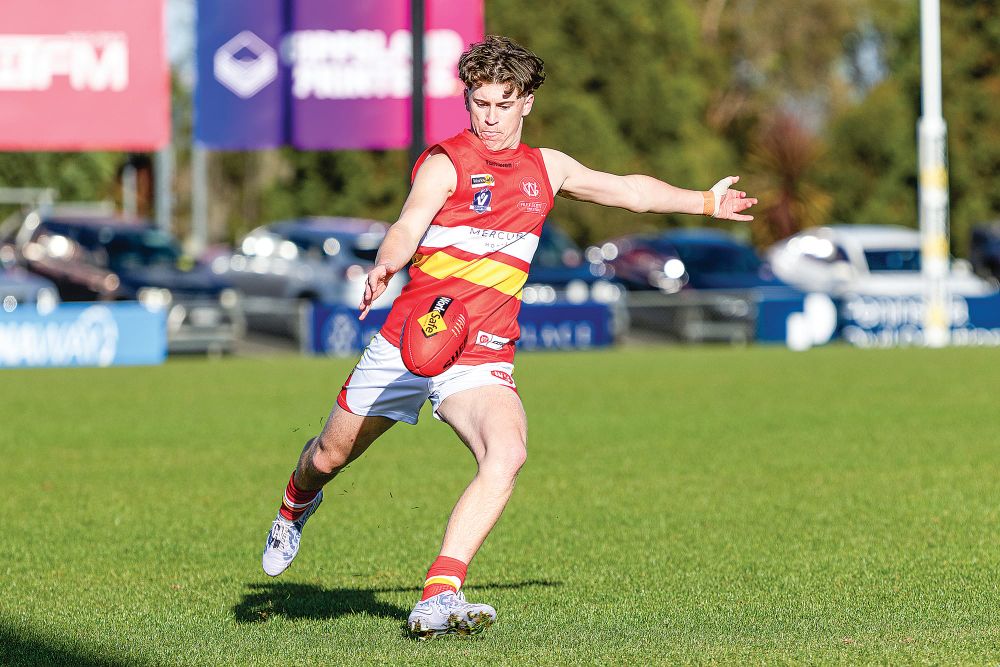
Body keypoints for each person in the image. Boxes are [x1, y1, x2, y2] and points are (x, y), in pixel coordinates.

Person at [262, 34, 757, 639]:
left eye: (503, 102)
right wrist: (387, 264)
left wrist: (705, 200)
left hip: (480, 356)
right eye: (479, 103)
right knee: (328, 456)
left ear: (526, 102)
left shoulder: (547, 168)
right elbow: (409, 221)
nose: (489, 117)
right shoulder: (446, 161)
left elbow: (628, 191)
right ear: (466, 102)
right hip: (411, 339)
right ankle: (294, 505)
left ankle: (439, 595)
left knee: (509, 452)